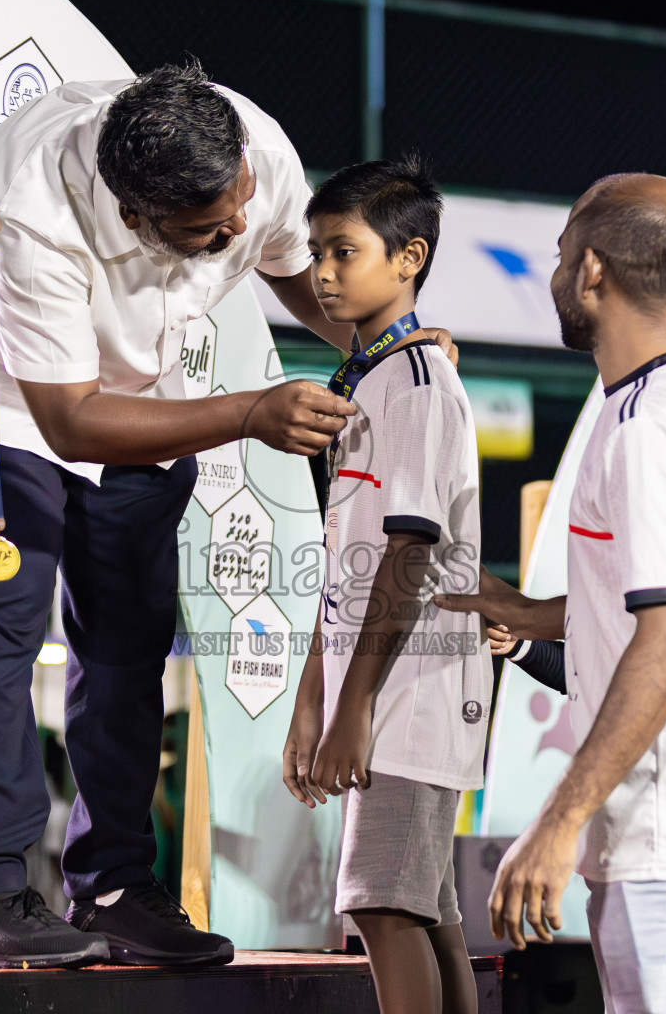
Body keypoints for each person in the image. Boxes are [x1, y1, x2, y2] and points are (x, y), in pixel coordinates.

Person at [0, 63, 455, 969]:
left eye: (238, 202)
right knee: (5, 622)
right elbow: (70, 417)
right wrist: (249, 410)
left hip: (137, 391)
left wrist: (385, 348)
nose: (238, 226)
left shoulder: (252, 148)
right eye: (208, 230)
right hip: (0, 397)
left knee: (128, 634)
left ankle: (114, 887)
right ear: (135, 214)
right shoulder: (31, 212)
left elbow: (287, 267)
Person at [437, 173, 666, 1012]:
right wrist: (525, 612)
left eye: (563, 253)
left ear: (594, 270)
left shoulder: (653, 428)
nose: (558, 271)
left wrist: (561, 817)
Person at [279, 158, 489, 1014]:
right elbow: (349, 569)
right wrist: (314, 698)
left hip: (412, 690)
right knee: (426, 912)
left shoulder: (419, 382)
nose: (323, 274)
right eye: (316, 253)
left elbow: (407, 556)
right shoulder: (377, 376)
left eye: (343, 252)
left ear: (410, 258)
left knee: (382, 905)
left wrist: (355, 705)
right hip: (382, 686)